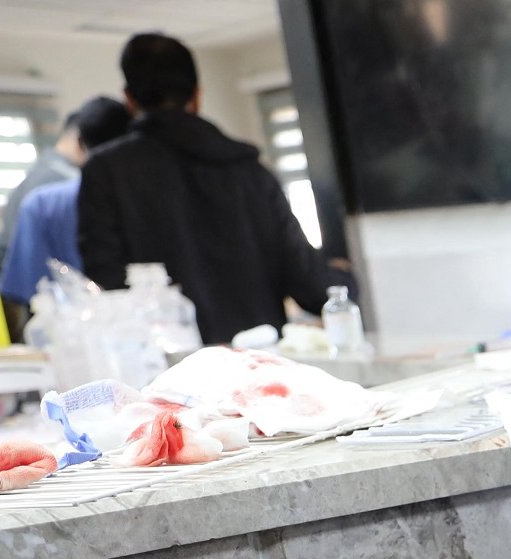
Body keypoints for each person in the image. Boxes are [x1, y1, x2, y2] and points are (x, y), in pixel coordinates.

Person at [77, 33, 344, 345]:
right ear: (197, 95)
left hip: (168, 376)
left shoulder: (105, 172)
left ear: (130, 99)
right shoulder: (250, 171)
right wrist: (345, 278)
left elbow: (107, 285)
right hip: (261, 364)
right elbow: (311, 288)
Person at [0, 102, 131, 305]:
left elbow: (25, 287)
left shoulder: (43, 200)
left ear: (79, 140)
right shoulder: (147, 196)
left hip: (63, 323)